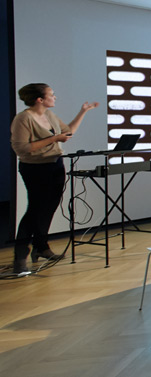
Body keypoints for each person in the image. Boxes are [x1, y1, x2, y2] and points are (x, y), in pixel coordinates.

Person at [10, 83, 99, 273]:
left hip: (55, 165)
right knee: (35, 210)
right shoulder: (23, 118)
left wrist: (83, 111)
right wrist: (53, 139)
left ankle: (41, 248)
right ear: (39, 99)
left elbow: (67, 132)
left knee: (49, 208)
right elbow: (22, 148)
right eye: (52, 94)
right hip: (35, 169)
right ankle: (20, 257)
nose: (55, 97)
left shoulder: (49, 115)